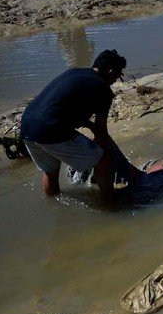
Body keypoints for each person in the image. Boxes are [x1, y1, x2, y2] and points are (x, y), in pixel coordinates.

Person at [20, 50, 138, 201]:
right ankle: (111, 209)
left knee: (51, 172)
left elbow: (61, 105)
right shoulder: (102, 89)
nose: (116, 80)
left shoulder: (75, 73)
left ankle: (55, 207)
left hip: (27, 126)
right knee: (104, 163)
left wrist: (89, 125)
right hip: (51, 129)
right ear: (110, 71)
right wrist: (106, 155)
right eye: (118, 75)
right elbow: (102, 133)